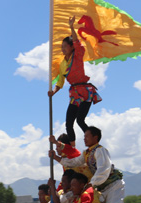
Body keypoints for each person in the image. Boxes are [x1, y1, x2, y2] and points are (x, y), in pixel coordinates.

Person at [49, 126, 125, 203]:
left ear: (95, 137)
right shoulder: (86, 153)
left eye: (87, 136)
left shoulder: (100, 150)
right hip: (98, 187)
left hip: (111, 185)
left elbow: (103, 170)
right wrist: (56, 158)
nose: (84, 139)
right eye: (83, 137)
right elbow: (74, 162)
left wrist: (90, 184)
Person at [48, 16, 102, 145]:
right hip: (75, 94)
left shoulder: (77, 55)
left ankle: (94, 142)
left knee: (80, 120)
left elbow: (77, 42)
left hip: (85, 91)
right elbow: (60, 82)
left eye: (65, 46)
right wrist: (53, 92)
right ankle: (73, 148)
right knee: (69, 123)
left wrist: (71, 27)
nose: (63, 49)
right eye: (62, 47)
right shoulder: (62, 64)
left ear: (72, 47)